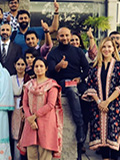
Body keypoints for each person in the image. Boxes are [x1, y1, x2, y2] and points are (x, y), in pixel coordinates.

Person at [81, 37, 120, 160]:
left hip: (114, 107)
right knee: (102, 143)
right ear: (100, 48)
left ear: (114, 48)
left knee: (113, 139)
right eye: (104, 46)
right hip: (98, 107)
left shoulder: (119, 66)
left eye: (109, 46)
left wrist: (107, 102)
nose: (106, 49)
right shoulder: (94, 66)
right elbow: (90, 86)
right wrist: (99, 102)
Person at [46, 27, 89, 160]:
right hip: (62, 84)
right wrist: (59, 66)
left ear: (70, 36)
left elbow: (87, 69)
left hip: (78, 82)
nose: (64, 38)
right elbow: (50, 72)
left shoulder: (78, 51)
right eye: (61, 36)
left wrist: (80, 78)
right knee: (70, 88)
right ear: (57, 37)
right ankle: (80, 123)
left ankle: (80, 146)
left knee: (88, 100)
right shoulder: (53, 53)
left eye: (66, 35)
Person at [18, 58, 63, 160]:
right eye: (36, 66)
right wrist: (29, 118)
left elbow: (50, 104)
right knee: (31, 155)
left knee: (45, 155)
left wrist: (34, 116)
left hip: (46, 123)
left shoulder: (52, 85)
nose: (39, 69)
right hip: (30, 124)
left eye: (41, 66)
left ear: (46, 68)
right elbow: (24, 103)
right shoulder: (29, 85)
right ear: (33, 69)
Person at [10, 56, 30, 160]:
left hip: (24, 108)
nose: (20, 67)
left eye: (22, 64)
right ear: (15, 65)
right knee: (15, 134)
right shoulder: (11, 78)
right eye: (18, 64)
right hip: (14, 108)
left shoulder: (29, 79)